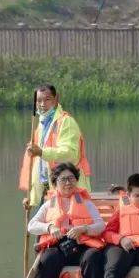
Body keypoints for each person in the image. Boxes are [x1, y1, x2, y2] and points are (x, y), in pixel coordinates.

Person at [25, 162, 105, 278]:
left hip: (82, 246)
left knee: (93, 256)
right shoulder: (49, 204)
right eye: (63, 179)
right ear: (55, 183)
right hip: (59, 247)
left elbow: (100, 225)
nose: (68, 183)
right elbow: (32, 225)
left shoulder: (86, 203)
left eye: (71, 178)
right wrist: (49, 227)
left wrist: (84, 229)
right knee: (48, 258)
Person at [21, 84, 92, 213]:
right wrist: (32, 199)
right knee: (46, 230)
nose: (42, 104)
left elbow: (70, 154)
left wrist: (42, 152)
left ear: (56, 99)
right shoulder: (41, 125)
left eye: (47, 99)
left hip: (69, 189)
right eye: (39, 101)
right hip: (50, 191)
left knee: (67, 230)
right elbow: (40, 167)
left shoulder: (66, 122)